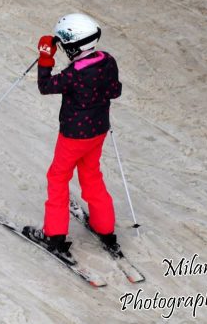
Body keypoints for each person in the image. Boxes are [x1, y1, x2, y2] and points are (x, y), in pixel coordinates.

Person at [25, 13, 122, 260]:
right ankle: (105, 228)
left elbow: (46, 86)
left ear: (72, 46)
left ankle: (54, 235)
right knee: (91, 175)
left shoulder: (74, 74)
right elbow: (115, 90)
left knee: (58, 178)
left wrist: (46, 58)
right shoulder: (108, 61)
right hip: (98, 131)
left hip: (73, 136)